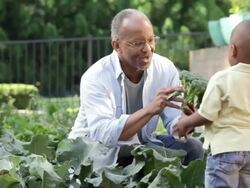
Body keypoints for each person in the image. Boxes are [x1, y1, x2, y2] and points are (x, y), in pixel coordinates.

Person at [68, 8, 203, 167]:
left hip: (140, 147)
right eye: (137, 43)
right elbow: (104, 135)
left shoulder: (165, 69)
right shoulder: (96, 76)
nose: (147, 49)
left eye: (151, 40)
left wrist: (187, 122)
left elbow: (175, 124)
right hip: (96, 153)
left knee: (192, 148)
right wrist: (150, 110)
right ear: (116, 45)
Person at [173, 19, 250, 187]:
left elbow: (207, 114)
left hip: (225, 152)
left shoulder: (222, 78)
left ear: (233, 50)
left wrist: (186, 122)